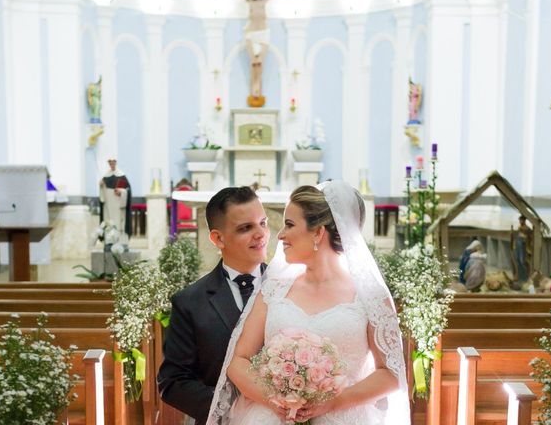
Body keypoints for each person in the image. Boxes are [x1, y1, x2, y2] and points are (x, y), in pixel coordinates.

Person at [207, 181, 411, 424]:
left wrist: (335, 401)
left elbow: (390, 373)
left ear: (318, 232)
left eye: (290, 224)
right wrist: (274, 399)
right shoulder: (274, 289)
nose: (280, 234)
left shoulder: (370, 297)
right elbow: (237, 360)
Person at [158, 186, 270, 424]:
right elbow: (173, 381)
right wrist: (229, 408)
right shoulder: (189, 301)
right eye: (246, 228)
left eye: (263, 222)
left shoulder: (292, 289)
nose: (261, 234)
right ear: (218, 238)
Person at [209, 0, 303, 98]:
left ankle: (258, 86)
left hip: (263, 32)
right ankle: (254, 88)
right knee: (253, 62)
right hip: (251, 32)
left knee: (260, 62)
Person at [99, 158, 132, 240]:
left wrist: (121, 191)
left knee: (119, 221)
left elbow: (128, 190)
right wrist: (101, 185)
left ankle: (119, 240)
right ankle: (109, 241)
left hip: (118, 202)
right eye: (110, 163)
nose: (112, 164)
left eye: (113, 162)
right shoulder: (105, 176)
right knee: (108, 221)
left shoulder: (121, 175)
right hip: (108, 203)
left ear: (116, 163)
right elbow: (102, 192)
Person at [512, 215, 532, 284]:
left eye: (521, 220)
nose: (520, 221)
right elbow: (517, 237)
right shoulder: (519, 228)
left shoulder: (527, 229)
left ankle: (525, 276)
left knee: (522, 261)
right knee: (517, 260)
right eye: (520, 220)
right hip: (518, 245)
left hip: (523, 246)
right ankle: (519, 276)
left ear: (524, 220)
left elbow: (529, 238)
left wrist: (525, 239)